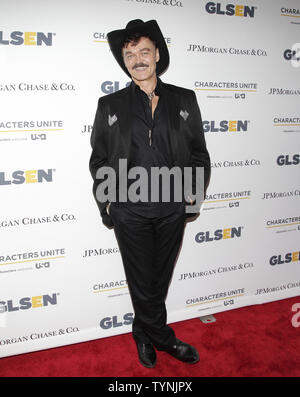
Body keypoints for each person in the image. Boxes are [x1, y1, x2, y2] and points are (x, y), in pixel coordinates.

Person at [89, 19, 211, 368]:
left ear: (158, 54)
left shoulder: (184, 99)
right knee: (141, 278)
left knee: (159, 276)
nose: (138, 59)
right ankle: (162, 337)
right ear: (124, 61)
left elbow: (199, 154)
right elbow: (99, 159)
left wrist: (192, 199)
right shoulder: (109, 105)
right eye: (130, 54)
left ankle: (143, 332)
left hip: (172, 206)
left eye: (144, 51)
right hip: (129, 209)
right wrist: (108, 204)